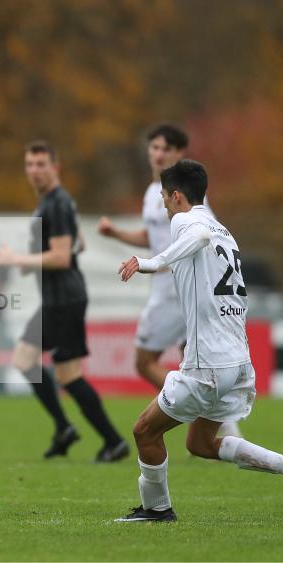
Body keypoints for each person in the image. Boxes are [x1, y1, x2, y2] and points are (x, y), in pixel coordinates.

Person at [115, 160, 283, 521]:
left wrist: (148, 262)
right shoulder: (224, 230)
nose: (164, 206)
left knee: (145, 431)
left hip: (207, 364)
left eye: (164, 198)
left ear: (176, 196)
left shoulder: (186, 222)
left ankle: (156, 509)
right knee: (200, 443)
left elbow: (196, 238)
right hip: (237, 362)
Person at [98, 124, 241, 438]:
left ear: (179, 153)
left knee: (144, 361)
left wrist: (158, 264)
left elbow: (203, 238)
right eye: (154, 147)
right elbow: (152, 237)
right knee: (191, 356)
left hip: (174, 293)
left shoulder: (189, 203)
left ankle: (199, 409)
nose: (159, 154)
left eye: (166, 148)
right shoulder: (154, 194)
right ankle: (219, 422)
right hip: (171, 289)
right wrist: (116, 234)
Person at [0, 141, 128, 462]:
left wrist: (18, 259)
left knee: (50, 368)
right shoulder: (55, 202)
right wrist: (32, 262)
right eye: (30, 164)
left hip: (63, 300)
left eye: (41, 164)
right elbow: (78, 244)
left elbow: (61, 257)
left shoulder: (56, 203)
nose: (34, 171)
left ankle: (103, 438)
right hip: (60, 299)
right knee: (46, 366)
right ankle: (76, 431)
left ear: (55, 167)